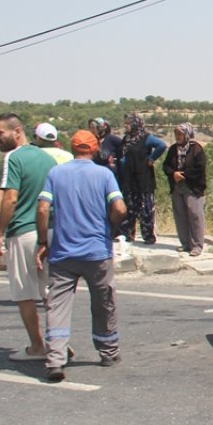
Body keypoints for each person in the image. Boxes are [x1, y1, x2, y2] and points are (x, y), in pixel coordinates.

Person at [35, 130, 127, 382]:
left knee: (57, 306)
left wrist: (43, 241)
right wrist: (109, 226)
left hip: (63, 252)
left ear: (73, 148)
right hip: (97, 251)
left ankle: (55, 360)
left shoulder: (56, 174)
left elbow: (43, 208)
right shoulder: (103, 174)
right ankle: (108, 352)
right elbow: (119, 207)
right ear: (95, 149)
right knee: (103, 302)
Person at [0, 112, 58, 362]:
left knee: (24, 293)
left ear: (16, 131)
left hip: (23, 231)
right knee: (50, 292)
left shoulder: (13, 157)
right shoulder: (46, 158)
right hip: (49, 232)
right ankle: (60, 342)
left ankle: (38, 346)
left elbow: (11, 198)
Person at [117, 113, 167, 244]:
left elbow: (161, 145)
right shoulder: (126, 139)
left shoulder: (146, 138)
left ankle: (148, 235)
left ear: (135, 124)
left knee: (146, 208)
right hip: (129, 178)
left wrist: (151, 159)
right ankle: (127, 234)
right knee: (130, 206)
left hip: (143, 178)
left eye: (128, 123)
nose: (125, 126)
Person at [162, 123, 208, 256]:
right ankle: (185, 243)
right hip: (177, 188)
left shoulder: (196, 149)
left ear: (187, 134)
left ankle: (197, 245)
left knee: (195, 215)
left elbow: (200, 168)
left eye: (180, 134)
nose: (178, 137)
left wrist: (183, 175)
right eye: (176, 134)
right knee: (180, 215)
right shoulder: (172, 149)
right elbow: (166, 166)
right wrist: (173, 174)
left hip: (193, 187)